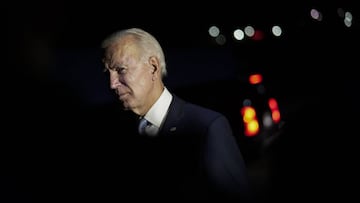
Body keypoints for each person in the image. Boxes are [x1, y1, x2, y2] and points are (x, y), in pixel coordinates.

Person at [100, 27, 252, 202]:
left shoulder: (207, 128)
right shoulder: (113, 131)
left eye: (121, 69)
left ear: (153, 67)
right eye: (107, 73)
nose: (112, 84)